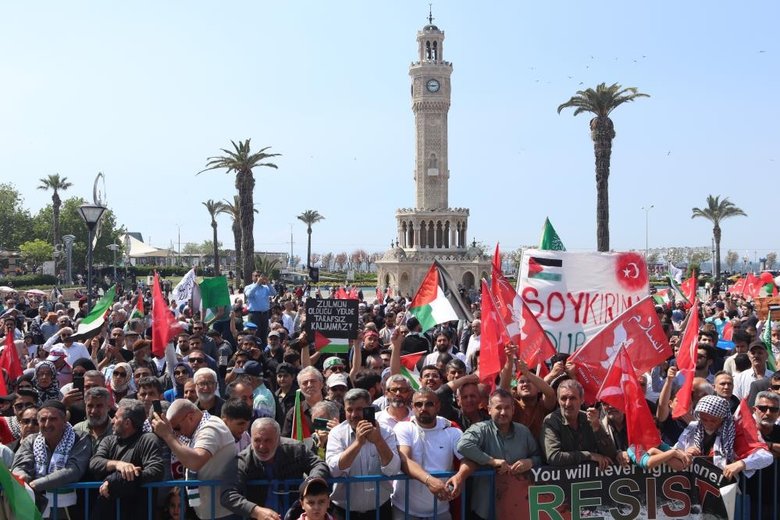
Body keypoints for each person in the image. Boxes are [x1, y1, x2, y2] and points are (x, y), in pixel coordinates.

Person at [449, 388, 542, 520]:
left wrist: (530, 462)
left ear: (513, 410)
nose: (503, 412)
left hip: (517, 507)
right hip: (486, 508)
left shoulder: (524, 432)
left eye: (507, 408)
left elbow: (539, 457)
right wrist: (491, 461)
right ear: (489, 409)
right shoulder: (480, 429)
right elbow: (463, 446)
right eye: (498, 407)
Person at [221, 417, 329, 520]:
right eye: (257, 440)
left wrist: (311, 482)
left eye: (268, 440)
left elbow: (319, 464)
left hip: (294, 515)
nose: (262, 446)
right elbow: (228, 494)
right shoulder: (243, 460)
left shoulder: (295, 449)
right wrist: (256, 511)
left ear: (278, 439)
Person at [151, 398, 237, 520]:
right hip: (210, 512)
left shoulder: (211, 428)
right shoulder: (197, 431)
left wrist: (167, 435)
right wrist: (169, 433)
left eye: (177, 428)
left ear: (190, 417)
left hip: (223, 513)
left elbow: (195, 462)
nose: (177, 434)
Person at [326, 388, 400, 520]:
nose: (354, 414)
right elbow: (333, 469)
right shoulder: (337, 433)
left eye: (360, 409)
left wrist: (378, 441)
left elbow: (393, 469)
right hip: (344, 512)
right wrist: (358, 443)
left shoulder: (386, 432)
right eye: (350, 410)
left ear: (370, 409)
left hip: (380, 510)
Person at [11, 400, 92, 516]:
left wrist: (37, 484)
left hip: (70, 509)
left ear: (64, 421)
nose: (47, 424)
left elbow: (74, 470)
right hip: (35, 504)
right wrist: (23, 476)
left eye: (53, 419)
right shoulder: (31, 440)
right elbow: (19, 466)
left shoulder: (80, 438)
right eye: (43, 420)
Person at [392, 388, 463, 520]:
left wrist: (460, 476)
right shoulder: (403, 427)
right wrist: (429, 481)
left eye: (429, 404)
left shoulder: (452, 430)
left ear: (438, 406)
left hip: (440, 511)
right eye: (418, 404)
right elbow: (404, 460)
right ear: (412, 407)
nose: (423, 408)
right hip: (404, 510)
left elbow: (467, 459)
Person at [89, 398, 165, 519]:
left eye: (116, 417)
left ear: (127, 423)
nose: (112, 421)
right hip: (107, 511)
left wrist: (115, 481)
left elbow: (156, 470)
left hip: (136, 511)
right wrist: (118, 464)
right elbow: (94, 463)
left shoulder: (147, 439)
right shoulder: (109, 440)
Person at [674, 394, 773, 479]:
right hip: (691, 483)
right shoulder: (693, 427)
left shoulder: (735, 431)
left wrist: (741, 464)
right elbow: (673, 451)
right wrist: (683, 453)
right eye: (704, 419)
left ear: (723, 418)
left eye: (713, 420)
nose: (708, 424)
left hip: (722, 487)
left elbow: (766, 457)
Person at [540, 379, 617, 468]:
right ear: (558, 400)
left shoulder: (590, 419)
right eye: (564, 398)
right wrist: (589, 455)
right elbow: (554, 457)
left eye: (572, 398)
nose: (568, 404)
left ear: (582, 400)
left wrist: (597, 427)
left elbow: (611, 454)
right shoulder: (551, 421)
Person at [73, 387, 114, 452]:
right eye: (90, 406)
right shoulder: (77, 430)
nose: (93, 411)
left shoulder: (116, 431)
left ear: (108, 407)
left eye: (99, 406)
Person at [245, 272, 277, 348]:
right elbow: (249, 295)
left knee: (264, 334)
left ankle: (263, 352)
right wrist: (257, 284)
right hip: (254, 314)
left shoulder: (265, 288)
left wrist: (268, 283)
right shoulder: (248, 287)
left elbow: (274, 293)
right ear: (252, 277)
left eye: (259, 276)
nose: (258, 277)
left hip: (265, 314)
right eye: (256, 276)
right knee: (254, 335)